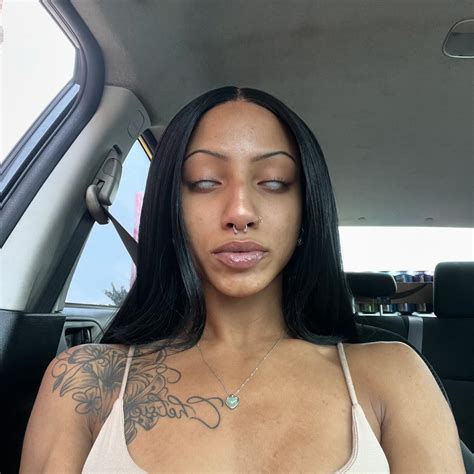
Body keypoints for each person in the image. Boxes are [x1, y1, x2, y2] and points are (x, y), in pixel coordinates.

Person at [20, 87, 464, 473]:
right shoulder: (83, 382)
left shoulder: (395, 377)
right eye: (204, 181)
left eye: (273, 182)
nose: (239, 213)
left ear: (306, 213)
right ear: (170, 209)